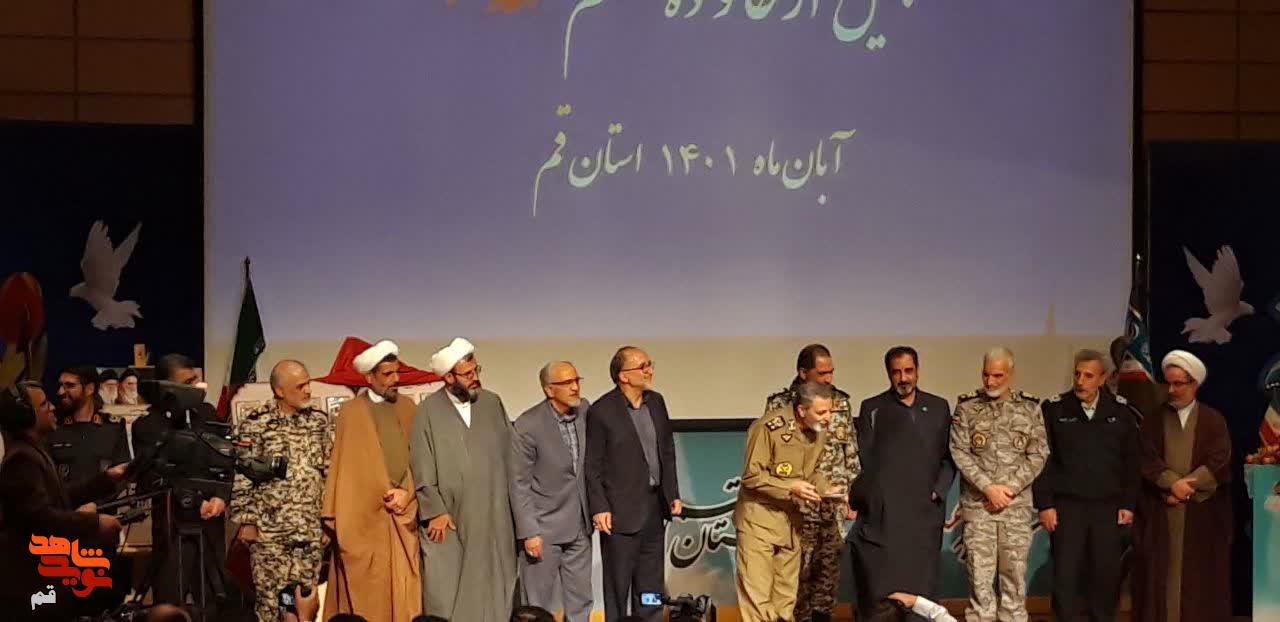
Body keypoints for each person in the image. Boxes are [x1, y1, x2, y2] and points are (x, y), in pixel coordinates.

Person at [0, 381, 127, 620]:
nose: (52, 408)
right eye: (44, 404)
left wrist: (106, 479)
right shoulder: (21, 459)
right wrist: (95, 523)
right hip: (30, 586)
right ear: (25, 416)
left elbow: (60, 496)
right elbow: (41, 518)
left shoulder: (33, 451)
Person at [411, 337, 517, 622]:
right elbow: (422, 465)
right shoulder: (427, 411)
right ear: (448, 377)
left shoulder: (492, 403)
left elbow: (511, 456)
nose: (475, 377)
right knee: (447, 588)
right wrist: (435, 510)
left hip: (494, 514)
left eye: (476, 370)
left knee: (495, 584)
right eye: (467, 373)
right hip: (450, 518)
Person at [1032, 350, 1141, 622]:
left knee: (1105, 576)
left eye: (1089, 376)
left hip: (1107, 508)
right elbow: (1042, 461)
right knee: (1066, 576)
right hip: (1068, 507)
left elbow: (1132, 462)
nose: (1080, 381)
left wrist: (1128, 504)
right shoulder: (1055, 410)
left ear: (1102, 379)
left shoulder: (1121, 412)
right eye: (1077, 374)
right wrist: (1045, 504)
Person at [849, 346, 954, 621]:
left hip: (925, 512)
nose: (903, 378)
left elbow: (949, 457)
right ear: (888, 374)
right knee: (887, 590)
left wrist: (939, 491)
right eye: (896, 372)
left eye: (908, 371)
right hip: (888, 517)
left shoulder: (939, 406)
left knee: (922, 584)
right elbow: (866, 461)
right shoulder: (872, 408)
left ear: (918, 371)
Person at [322, 340, 421, 621]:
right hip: (364, 520)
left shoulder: (408, 407)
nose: (396, 379)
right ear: (369, 378)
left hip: (403, 514)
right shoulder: (351, 412)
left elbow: (421, 458)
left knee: (406, 592)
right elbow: (346, 469)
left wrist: (407, 492)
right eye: (387, 374)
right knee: (367, 595)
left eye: (397, 372)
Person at [1132, 350, 1232, 622]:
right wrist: (1170, 485)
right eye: (1169, 383)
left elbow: (1220, 460)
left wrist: (1186, 489)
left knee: (1198, 583)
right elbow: (1146, 459)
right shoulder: (1153, 420)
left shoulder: (1213, 420)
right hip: (1161, 511)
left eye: (1178, 384)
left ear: (1194, 384)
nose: (1171, 390)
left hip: (1201, 514)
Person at [129, 353, 232, 617]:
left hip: (210, 527)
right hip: (173, 528)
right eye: (188, 382)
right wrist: (195, 501)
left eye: (196, 379)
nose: (197, 387)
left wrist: (221, 496)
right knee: (169, 605)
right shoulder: (148, 426)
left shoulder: (207, 414)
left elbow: (225, 461)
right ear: (166, 387)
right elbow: (153, 476)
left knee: (214, 605)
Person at [949, 347, 1047, 622]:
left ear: (1011, 374)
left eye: (997, 375)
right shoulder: (967, 407)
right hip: (979, 508)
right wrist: (988, 489)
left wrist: (1009, 490)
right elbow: (959, 452)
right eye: (986, 375)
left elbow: (1038, 454)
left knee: (1014, 582)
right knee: (979, 581)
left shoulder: (1029, 408)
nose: (990, 381)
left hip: (1014, 509)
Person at [584, 346, 682, 622]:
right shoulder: (602, 411)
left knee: (650, 589)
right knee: (618, 588)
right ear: (623, 376)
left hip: (653, 509)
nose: (649, 370)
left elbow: (666, 451)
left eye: (649, 364)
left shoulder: (656, 402)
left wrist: (672, 493)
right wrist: (599, 507)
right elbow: (592, 466)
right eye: (642, 366)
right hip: (620, 514)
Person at [762, 344, 859, 622]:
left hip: (832, 501)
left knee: (828, 571)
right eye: (822, 373)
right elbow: (771, 456)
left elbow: (850, 451)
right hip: (798, 502)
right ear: (803, 373)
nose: (829, 379)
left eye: (831, 372)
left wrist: (852, 494)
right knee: (797, 571)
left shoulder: (840, 402)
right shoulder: (779, 405)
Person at [231, 360, 333, 622]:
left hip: (309, 531)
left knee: (304, 604)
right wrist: (247, 521)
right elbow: (243, 476)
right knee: (271, 605)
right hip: (270, 534)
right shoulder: (256, 424)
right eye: (300, 386)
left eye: (308, 383)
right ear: (279, 391)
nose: (308, 390)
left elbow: (330, 474)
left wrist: (328, 522)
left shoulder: (320, 423)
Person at [733, 381, 840, 622]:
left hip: (792, 524)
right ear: (802, 410)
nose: (828, 418)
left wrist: (825, 488)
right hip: (759, 522)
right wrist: (791, 486)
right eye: (821, 412)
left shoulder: (818, 431)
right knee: (759, 602)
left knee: (786, 600)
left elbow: (810, 472)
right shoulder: (768, 428)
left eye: (830, 411)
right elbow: (752, 477)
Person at [46, 365, 133, 617]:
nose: (61, 391)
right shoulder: (52, 428)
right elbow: (45, 481)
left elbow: (122, 475)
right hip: (60, 533)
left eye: (69, 385)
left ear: (89, 388)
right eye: (60, 385)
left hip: (100, 530)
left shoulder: (112, 428)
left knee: (100, 605)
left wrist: (97, 506)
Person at [509, 361, 593, 622]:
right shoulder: (528, 424)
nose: (575, 387)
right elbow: (519, 483)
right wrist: (529, 532)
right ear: (549, 390)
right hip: (543, 529)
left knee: (581, 600)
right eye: (567, 383)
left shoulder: (585, 411)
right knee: (536, 605)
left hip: (580, 524)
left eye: (576, 380)